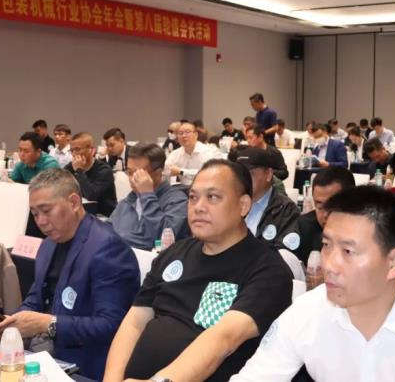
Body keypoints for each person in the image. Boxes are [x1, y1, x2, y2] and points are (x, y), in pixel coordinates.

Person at [231, 186, 395, 381]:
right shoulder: (308, 311)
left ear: (393, 262)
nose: (329, 265)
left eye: (348, 251)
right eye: (326, 245)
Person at [103, 160, 292, 382]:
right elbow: (135, 321)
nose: (198, 207)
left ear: (243, 205)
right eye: (193, 197)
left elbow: (223, 340)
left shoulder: (268, 270)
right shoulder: (174, 253)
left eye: (213, 197)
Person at [0, 169, 139, 380]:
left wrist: (48, 324)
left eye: (46, 210)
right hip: (44, 351)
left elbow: (113, 326)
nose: (40, 221)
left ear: (74, 202)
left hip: (86, 361)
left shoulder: (108, 248)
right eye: (35, 213)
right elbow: (35, 299)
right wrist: (14, 321)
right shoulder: (48, 244)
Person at [109, 143, 188, 250]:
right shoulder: (127, 202)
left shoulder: (177, 201)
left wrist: (147, 195)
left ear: (158, 173)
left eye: (139, 174)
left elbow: (162, 240)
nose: (132, 179)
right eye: (129, 172)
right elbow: (107, 232)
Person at [231, 147, 300, 253]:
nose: (243, 179)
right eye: (239, 174)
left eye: (250, 174)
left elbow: (284, 254)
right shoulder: (230, 203)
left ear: (268, 174)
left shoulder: (286, 210)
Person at [294, 167, 355, 263]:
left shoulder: (367, 234)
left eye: (332, 206)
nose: (325, 214)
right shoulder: (304, 227)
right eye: (319, 206)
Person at [65, 132, 117, 216]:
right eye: (72, 150)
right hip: (79, 214)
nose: (74, 154)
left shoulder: (104, 170)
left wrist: (79, 171)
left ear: (90, 150)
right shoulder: (70, 168)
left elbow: (91, 195)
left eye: (77, 149)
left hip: (103, 215)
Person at [164, 121, 220, 186]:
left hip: (205, 186)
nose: (184, 136)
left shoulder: (208, 151)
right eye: (180, 133)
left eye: (187, 132)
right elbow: (166, 169)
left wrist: (181, 171)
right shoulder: (175, 154)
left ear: (196, 135)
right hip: (184, 188)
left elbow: (206, 175)